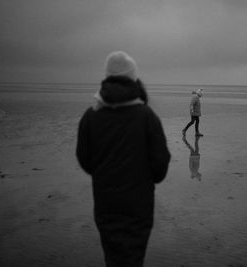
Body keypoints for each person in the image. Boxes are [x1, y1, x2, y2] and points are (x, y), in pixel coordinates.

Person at [76, 51, 171, 267]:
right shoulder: (147, 117)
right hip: (139, 206)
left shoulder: (91, 116)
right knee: (133, 258)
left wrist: (103, 174)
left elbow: (84, 159)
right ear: (134, 78)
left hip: (105, 203)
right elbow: (160, 166)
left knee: (113, 256)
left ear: (107, 77)